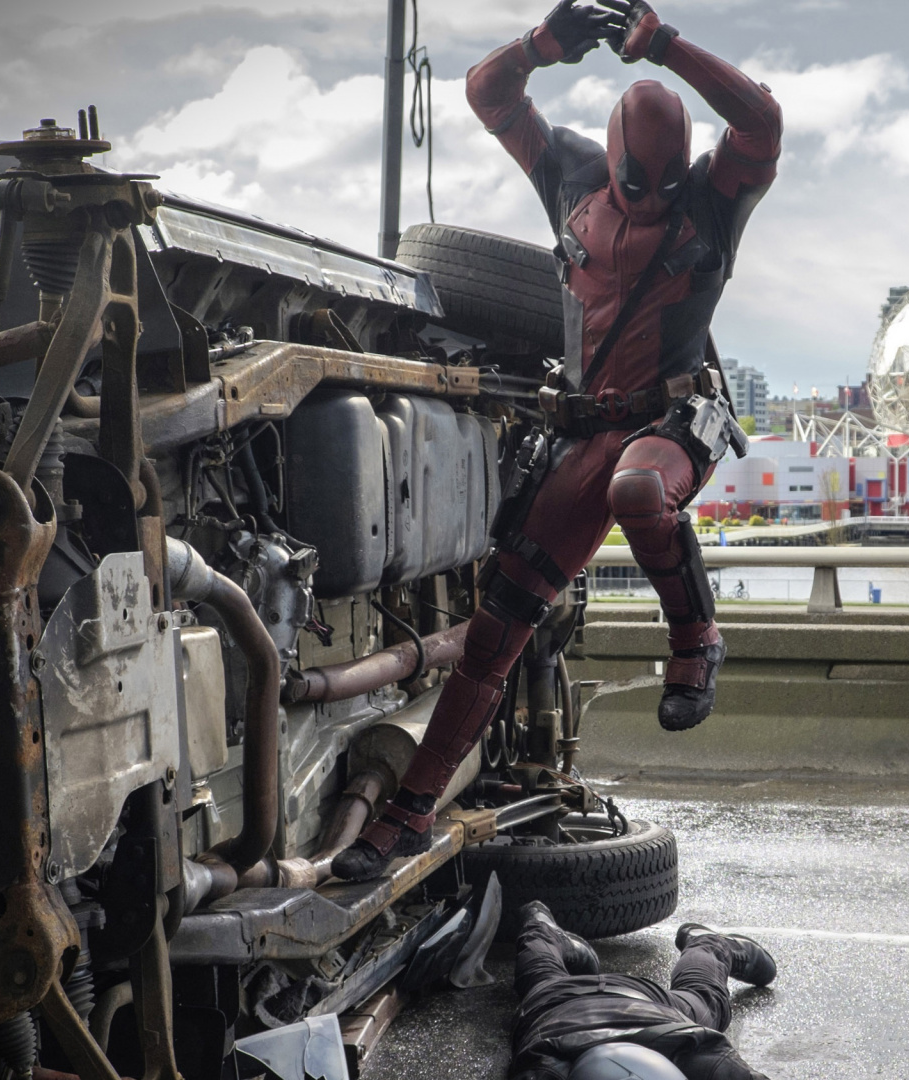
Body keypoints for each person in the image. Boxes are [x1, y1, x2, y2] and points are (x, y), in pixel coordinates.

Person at [334, 0, 782, 881]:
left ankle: (696, 641)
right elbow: (487, 92)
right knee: (497, 626)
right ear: (611, 164)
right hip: (584, 429)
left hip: (669, 423)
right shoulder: (573, 176)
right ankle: (411, 812)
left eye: (660, 184)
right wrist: (548, 41)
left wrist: (667, 46)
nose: (650, 199)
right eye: (634, 183)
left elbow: (762, 120)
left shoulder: (715, 194)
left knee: (639, 493)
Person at [511, 900, 777, 1080]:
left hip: (633, 1009)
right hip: (561, 1002)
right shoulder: (543, 1068)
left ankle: (708, 944)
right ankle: (540, 929)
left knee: (704, 997)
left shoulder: (699, 1056)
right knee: (539, 973)